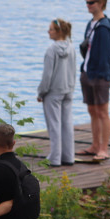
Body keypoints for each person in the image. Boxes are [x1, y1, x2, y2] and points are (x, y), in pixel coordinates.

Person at [79, 0, 110, 160]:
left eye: (91, 2)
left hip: (100, 76)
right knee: (92, 110)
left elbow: (107, 54)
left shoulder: (105, 27)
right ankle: (94, 145)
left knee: (103, 112)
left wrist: (102, 75)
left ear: (100, 4)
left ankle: (104, 148)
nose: (88, 5)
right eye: (86, 2)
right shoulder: (91, 24)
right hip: (88, 72)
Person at [37, 18, 77, 167]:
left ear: (58, 32)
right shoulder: (72, 48)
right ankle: (69, 156)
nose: (48, 32)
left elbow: (47, 75)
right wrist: (71, 88)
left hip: (53, 92)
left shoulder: (51, 50)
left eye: (51, 29)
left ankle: (54, 158)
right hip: (68, 90)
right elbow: (73, 71)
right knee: (67, 124)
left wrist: (41, 92)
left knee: (54, 125)